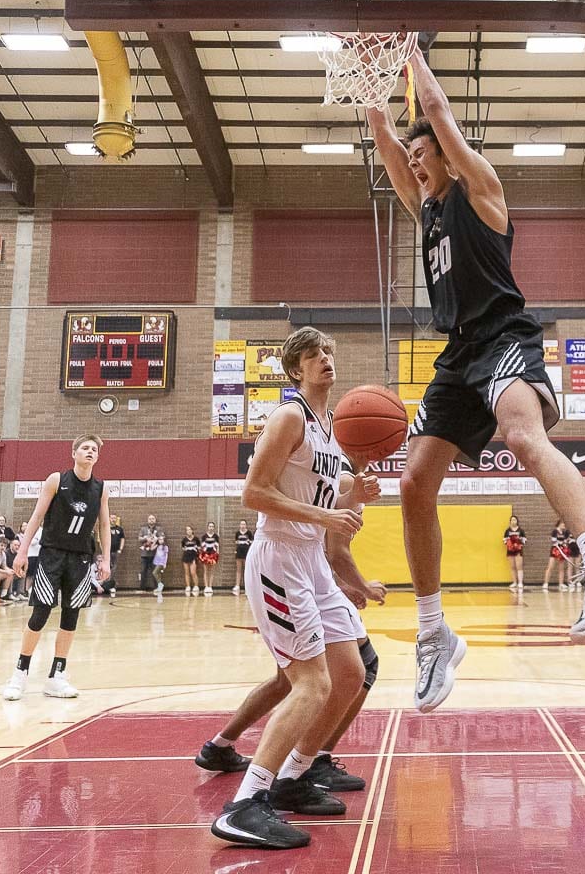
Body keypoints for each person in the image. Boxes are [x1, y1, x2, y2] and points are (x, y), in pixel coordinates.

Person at [367, 51, 585, 711]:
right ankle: (434, 633)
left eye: (422, 152)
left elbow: (435, 111)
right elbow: (385, 147)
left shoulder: (480, 191)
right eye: (409, 156)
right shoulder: (426, 210)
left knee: (522, 438)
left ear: (448, 154)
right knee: (412, 484)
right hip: (458, 356)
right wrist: (368, 84)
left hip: (504, 336)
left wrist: (409, 48)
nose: (412, 160)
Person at [211, 327, 377, 850]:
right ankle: (244, 803)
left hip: (312, 564)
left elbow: (319, 484)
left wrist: (355, 489)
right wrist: (327, 515)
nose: (324, 359)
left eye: (328, 351)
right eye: (312, 355)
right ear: (294, 370)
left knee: (352, 673)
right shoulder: (289, 417)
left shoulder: (331, 429)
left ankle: (292, 776)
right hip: (279, 558)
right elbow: (254, 493)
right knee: (311, 684)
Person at [198, 456, 387, 800]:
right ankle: (302, 766)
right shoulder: (338, 475)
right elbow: (336, 549)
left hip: (312, 577)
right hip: (297, 577)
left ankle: (221, 745)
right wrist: (356, 585)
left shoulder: (342, 475)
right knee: (329, 676)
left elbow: (324, 543)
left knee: (293, 680)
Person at [0, 435, 110, 701]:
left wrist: (105, 559)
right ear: (73, 453)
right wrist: (23, 551)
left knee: (70, 617)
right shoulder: (56, 480)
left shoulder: (101, 488)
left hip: (81, 558)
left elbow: (103, 525)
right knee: (40, 613)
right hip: (52, 555)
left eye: (94, 449)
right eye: (85, 448)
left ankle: (56, 676)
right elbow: (37, 516)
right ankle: (20, 673)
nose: (90, 452)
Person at [544, 519, 571, 591]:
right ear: (559, 524)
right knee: (550, 566)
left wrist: (563, 544)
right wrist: (561, 543)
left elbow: (566, 541)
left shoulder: (566, 532)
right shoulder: (555, 531)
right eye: (563, 524)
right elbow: (554, 541)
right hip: (555, 550)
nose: (564, 526)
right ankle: (546, 583)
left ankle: (561, 583)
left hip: (562, 550)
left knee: (561, 568)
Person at [503, 515, 526, 591]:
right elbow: (505, 540)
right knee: (512, 567)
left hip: (518, 550)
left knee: (519, 566)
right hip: (510, 551)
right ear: (510, 521)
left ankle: (520, 582)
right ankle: (514, 582)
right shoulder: (507, 531)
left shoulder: (521, 530)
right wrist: (510, 544)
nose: (513, 521)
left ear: (517, 521)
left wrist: (519, 544)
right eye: (512, 520)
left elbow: (524, 540)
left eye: (515, 520)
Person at [233, 519, 254, 595]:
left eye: (244, 524)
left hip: (246, 552)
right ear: (239, 525)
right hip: (239, 552)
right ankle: (237, 585)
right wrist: (236, 550)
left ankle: (247, 587)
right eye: (241, 524)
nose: (242, 526)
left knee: (246, 570)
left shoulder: (249, 533)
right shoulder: (237, 533)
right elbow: (236, 543)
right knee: (238, 570)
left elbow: (251, 543)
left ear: (246, 525)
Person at [200, 521, 220, 595]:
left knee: (212, 571)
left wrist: (217, 554)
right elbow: (202, 547)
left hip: (213, 555)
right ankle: (206, 586)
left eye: (212, 526)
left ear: (214, 528)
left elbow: (217, 546)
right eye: (210, 526)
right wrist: (202, 555)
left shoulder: (216, 536)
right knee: (205, 571)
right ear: (207, 527)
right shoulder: (204, 536)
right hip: (205, 555)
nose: (211, 528)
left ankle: (210, 586)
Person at [181, 525, 201, 596]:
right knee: (187, 572)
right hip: (186, 557)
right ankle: (188, 586)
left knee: (193, 572)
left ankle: (196, 586)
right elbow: (183, 547)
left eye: (190, 530)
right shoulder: (184, 540)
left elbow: (199, 547)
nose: (188, 531)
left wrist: (196, 550)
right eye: (187, 530)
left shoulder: (196, 539)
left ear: (192, 531)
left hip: (193, 557)